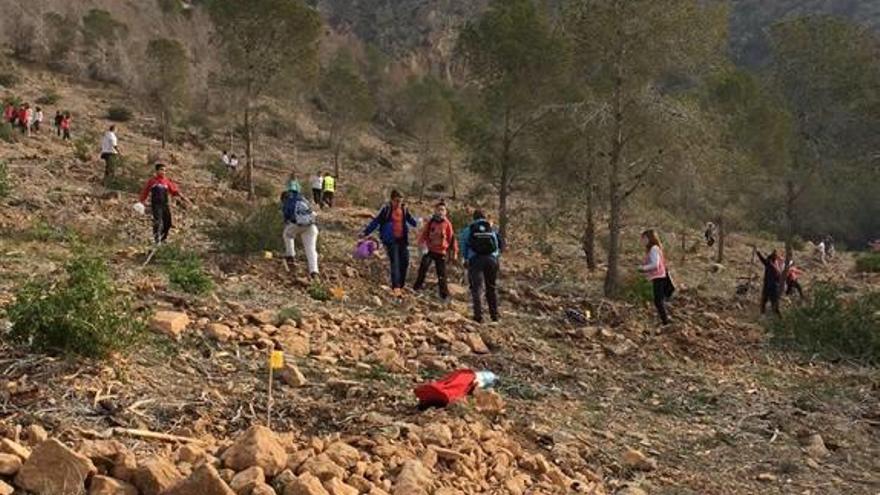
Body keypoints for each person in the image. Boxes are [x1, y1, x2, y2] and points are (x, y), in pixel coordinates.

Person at [361, 190, 419, 296]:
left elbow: (411, 221)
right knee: (395, 262)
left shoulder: (404, 209)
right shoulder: (386, 210)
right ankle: (396, 286)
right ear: (392, 200)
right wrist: (366, 232)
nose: (398, 203)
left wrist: (418, 223)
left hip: (402, 240)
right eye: (396, 201)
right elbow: (376, 221)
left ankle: (401, 285)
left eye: (401, 201)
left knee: (405, 261)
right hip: (390, 240)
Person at [460, 210, 504, 323]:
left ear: (473, 218)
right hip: (491, 260)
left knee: (477, 288)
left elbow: (463, 244)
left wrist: (465, 258)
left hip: (475, 260)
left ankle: (478, 317)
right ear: (484, 217)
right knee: (491, 288)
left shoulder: (469, 229)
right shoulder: (491, 228)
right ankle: (494, 316)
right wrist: (495, 256)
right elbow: (498, 245)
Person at [413, 202, 458, 302]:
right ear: (435, 210)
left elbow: (452, 238)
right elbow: (424, 234)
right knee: (423, 267)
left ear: (445, 212)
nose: (440, 212)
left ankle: (444, 295)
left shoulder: (447, 224)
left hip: (441, 252)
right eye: (439, 209)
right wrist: (420, 244)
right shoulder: (431, 222)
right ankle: (416, 287)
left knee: (441, 274)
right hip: (430, 250)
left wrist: (454, 252)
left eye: (443, 210)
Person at [137, 163, 187, 245]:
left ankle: (163, 238)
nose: (163, 172)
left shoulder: (167, 182)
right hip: (156, 205)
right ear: (157, 171)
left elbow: (174, 191)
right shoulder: (152, 181)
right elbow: (145, 192)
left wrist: (183, 197)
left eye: (165, 170)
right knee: (158, 221)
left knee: (168, 223)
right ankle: (157, 240)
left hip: (165, 205)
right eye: (161, 170)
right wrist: (141, 201)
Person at [281, 181, 320, 278]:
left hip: (297, 224)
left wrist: (286, 221)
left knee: (287, 234)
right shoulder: (304, 199)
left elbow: (287, 216)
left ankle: (290, 256)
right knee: (311, 250)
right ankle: (314, 272)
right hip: (311, 226)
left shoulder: (289, 200)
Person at [638, 229, 673, 325]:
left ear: (649, 238)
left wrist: (643, 268)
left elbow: (655, 264)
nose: (643, 241)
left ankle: (665, 322)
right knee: (659, 300)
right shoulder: (655, 248)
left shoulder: (653, 249)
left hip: (659, 277)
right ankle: (665, 320)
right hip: (659, 276)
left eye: (644, 238)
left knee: (658, 301)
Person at [754, 247, 782, 315]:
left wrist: (758, 252)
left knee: (766, 302)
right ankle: (777, 318)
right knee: (772, 304)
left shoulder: (770, 264)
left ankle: (775, 317)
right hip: (774, 287)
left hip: (770, 287)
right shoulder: (776, 266)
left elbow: (763, 260)